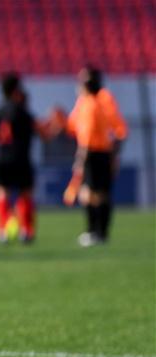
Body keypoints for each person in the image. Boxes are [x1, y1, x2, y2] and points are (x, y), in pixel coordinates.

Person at [60, 65, 127, 246]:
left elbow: (117, 130)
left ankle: (96, 232)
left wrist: (83, 158)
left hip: (96, 152)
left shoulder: (98, 101)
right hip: (96, 152)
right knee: (92, 193)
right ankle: (97, 232)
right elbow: (73, 126)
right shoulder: (84, 101)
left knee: (94, 194)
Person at [0, 72, 55, 244]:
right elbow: (43, 133)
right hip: (20, 159)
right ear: (16, 90)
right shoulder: (23, 111)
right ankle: (26, 231)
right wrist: (54, 124)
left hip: (1, 159)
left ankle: (2, 230)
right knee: (25, 193)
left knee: (1, 193)